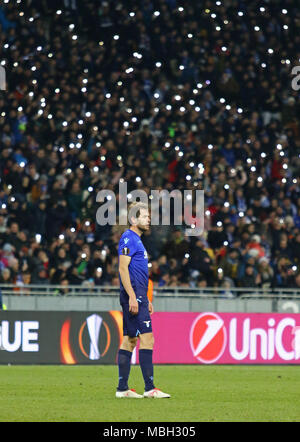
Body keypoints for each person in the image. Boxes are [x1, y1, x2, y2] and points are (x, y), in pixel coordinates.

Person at [116, 202, 170, 399]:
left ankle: (122, 389)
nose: (149, 219)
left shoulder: (137, 241)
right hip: (133, 296)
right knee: (148, 338)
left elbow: (139, 272)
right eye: (145, 216)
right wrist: (132, 296)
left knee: (130, 340)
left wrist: (146, 298)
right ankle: (150, 388)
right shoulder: (128, 239)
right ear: (133, 219)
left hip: (139, 296)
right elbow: (123, 269)